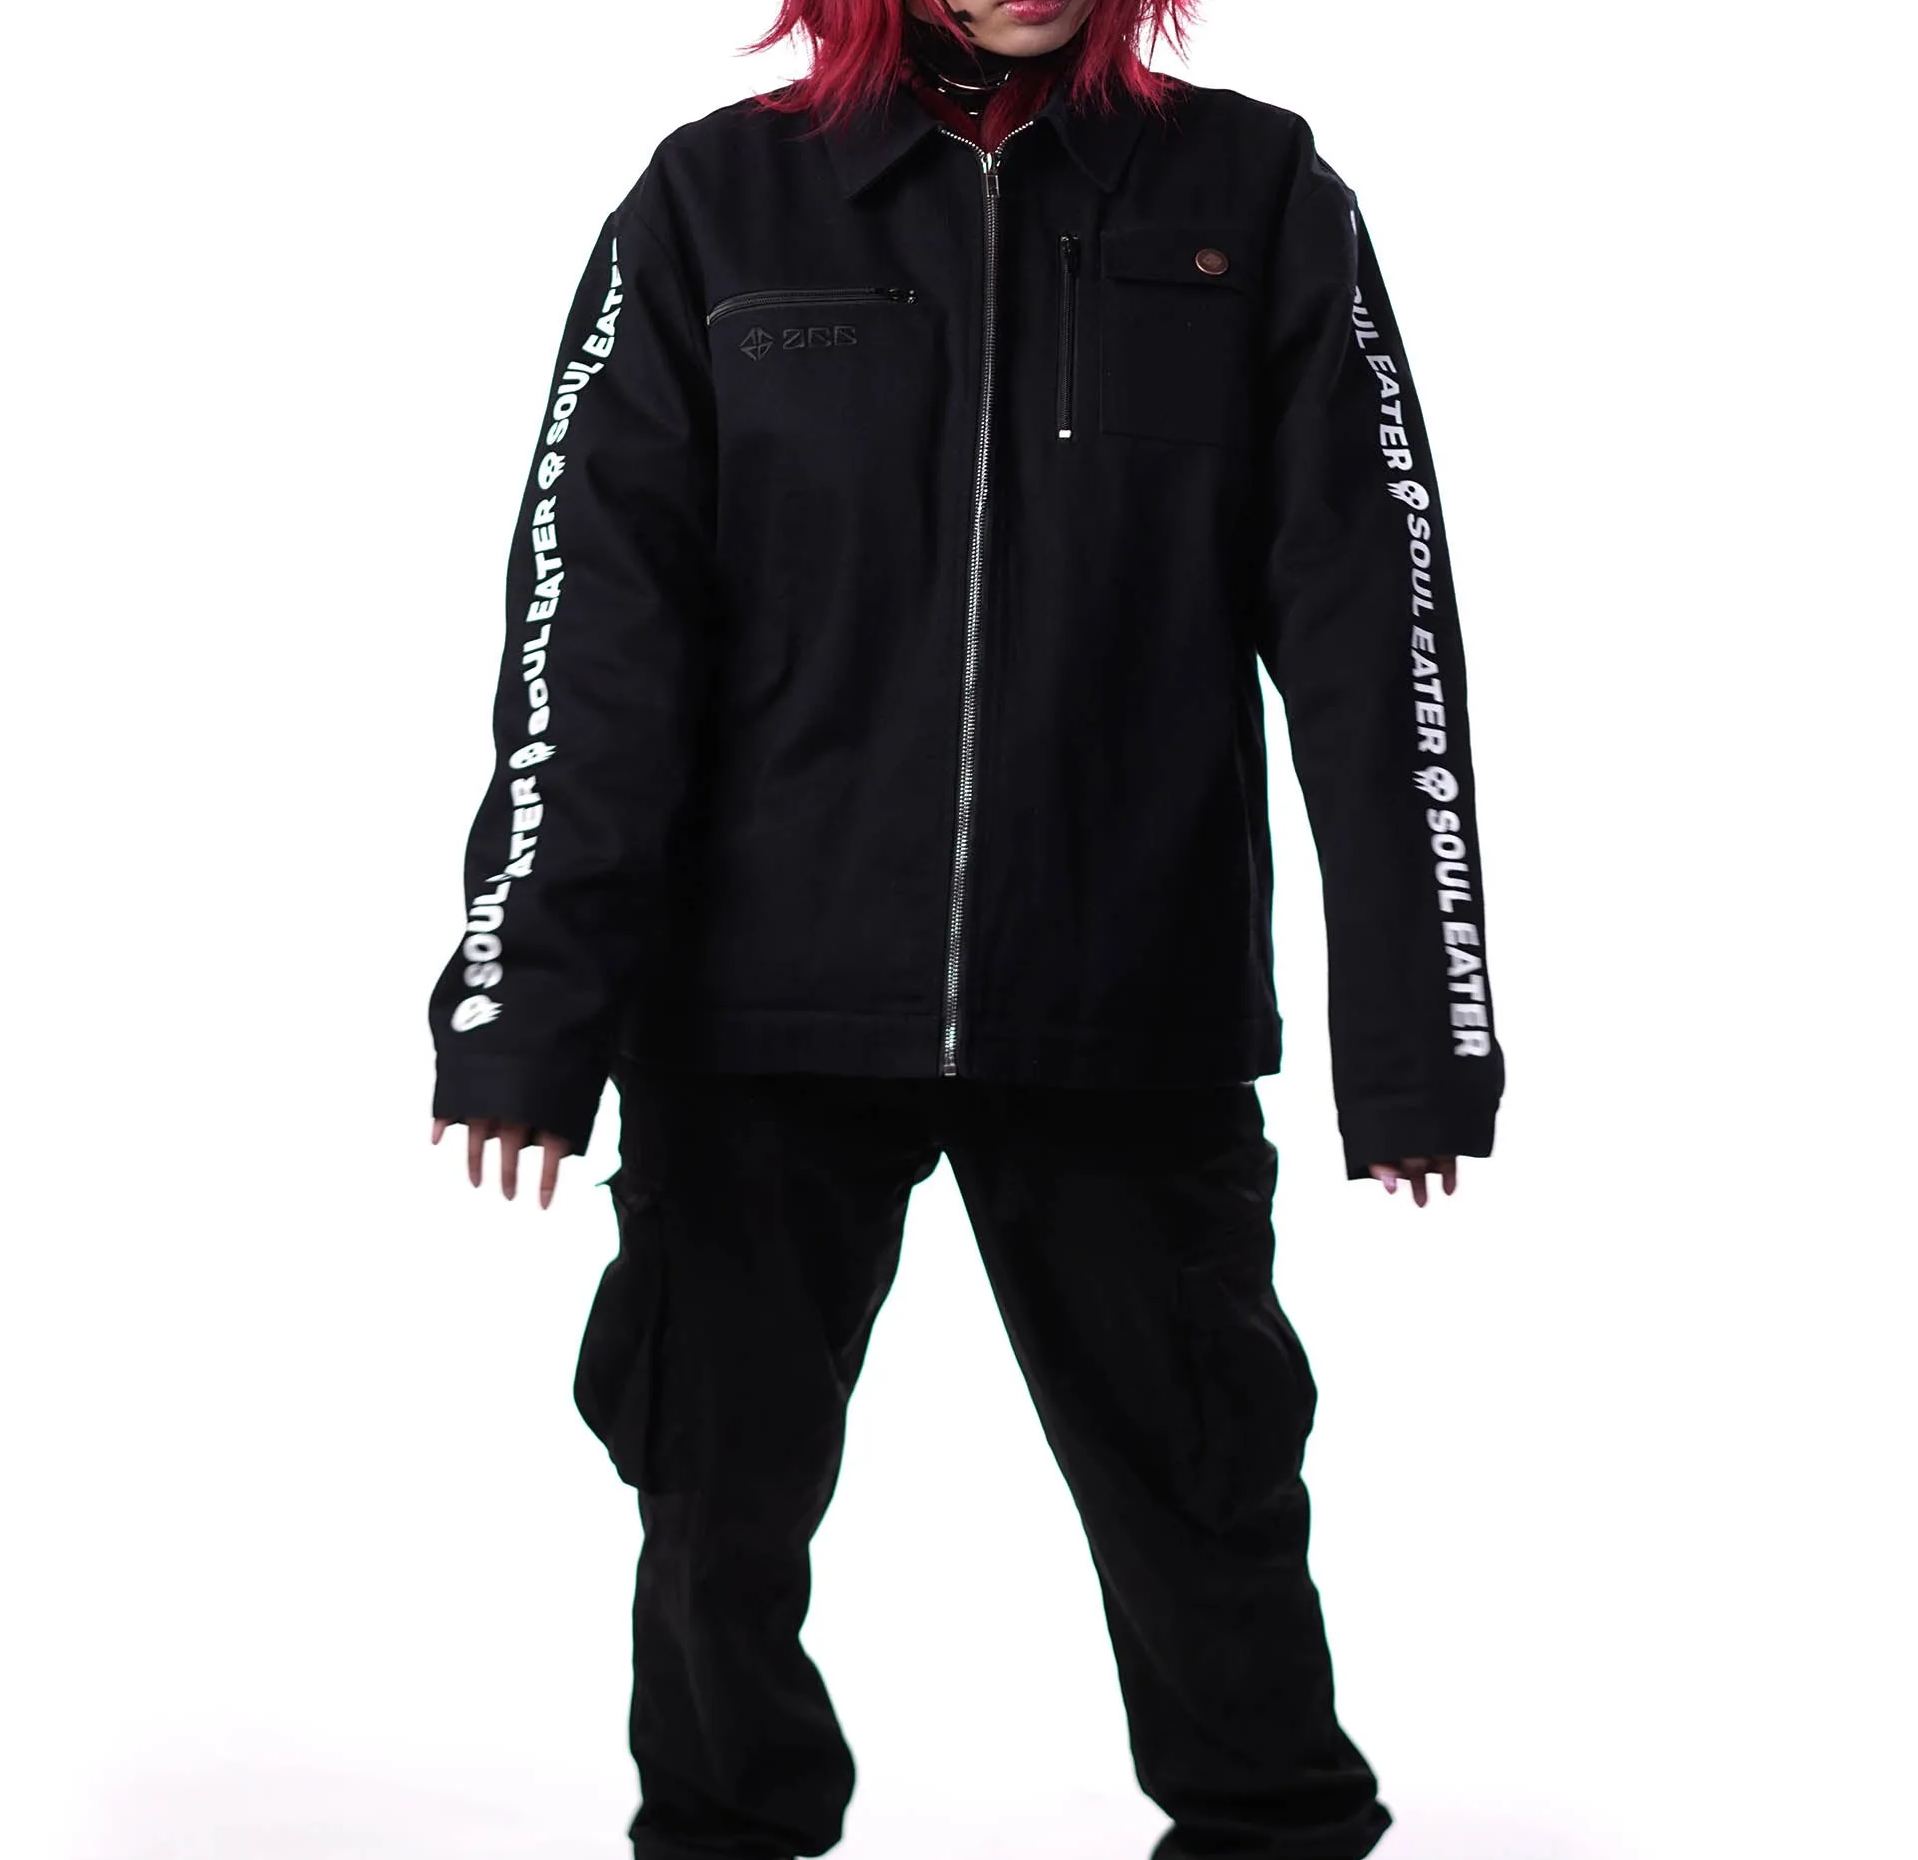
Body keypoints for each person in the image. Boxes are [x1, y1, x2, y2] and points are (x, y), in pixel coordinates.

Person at [427, 1, 1505, 1855]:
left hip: (1125, 1000)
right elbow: (590, 631)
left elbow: (1372, 628)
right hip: (755, 1010)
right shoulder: (715, 200)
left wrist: (1418, 1034)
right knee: (713, 1511)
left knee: (1207, 1499)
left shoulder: (1253, 191)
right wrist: (526, 1003)